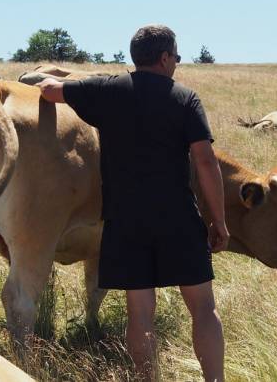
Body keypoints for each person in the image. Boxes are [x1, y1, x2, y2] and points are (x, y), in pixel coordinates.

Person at [37, 24, 229, 382]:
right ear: (165, 57)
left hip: (125, 222)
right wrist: (218, 221)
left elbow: (49, 91)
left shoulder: (107, 90)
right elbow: (205, 161)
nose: (177, 62)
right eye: (177, 56)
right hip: (178, 218)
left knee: (140, 314)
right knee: (203, 307)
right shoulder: (185, 98)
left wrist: (49, 83)